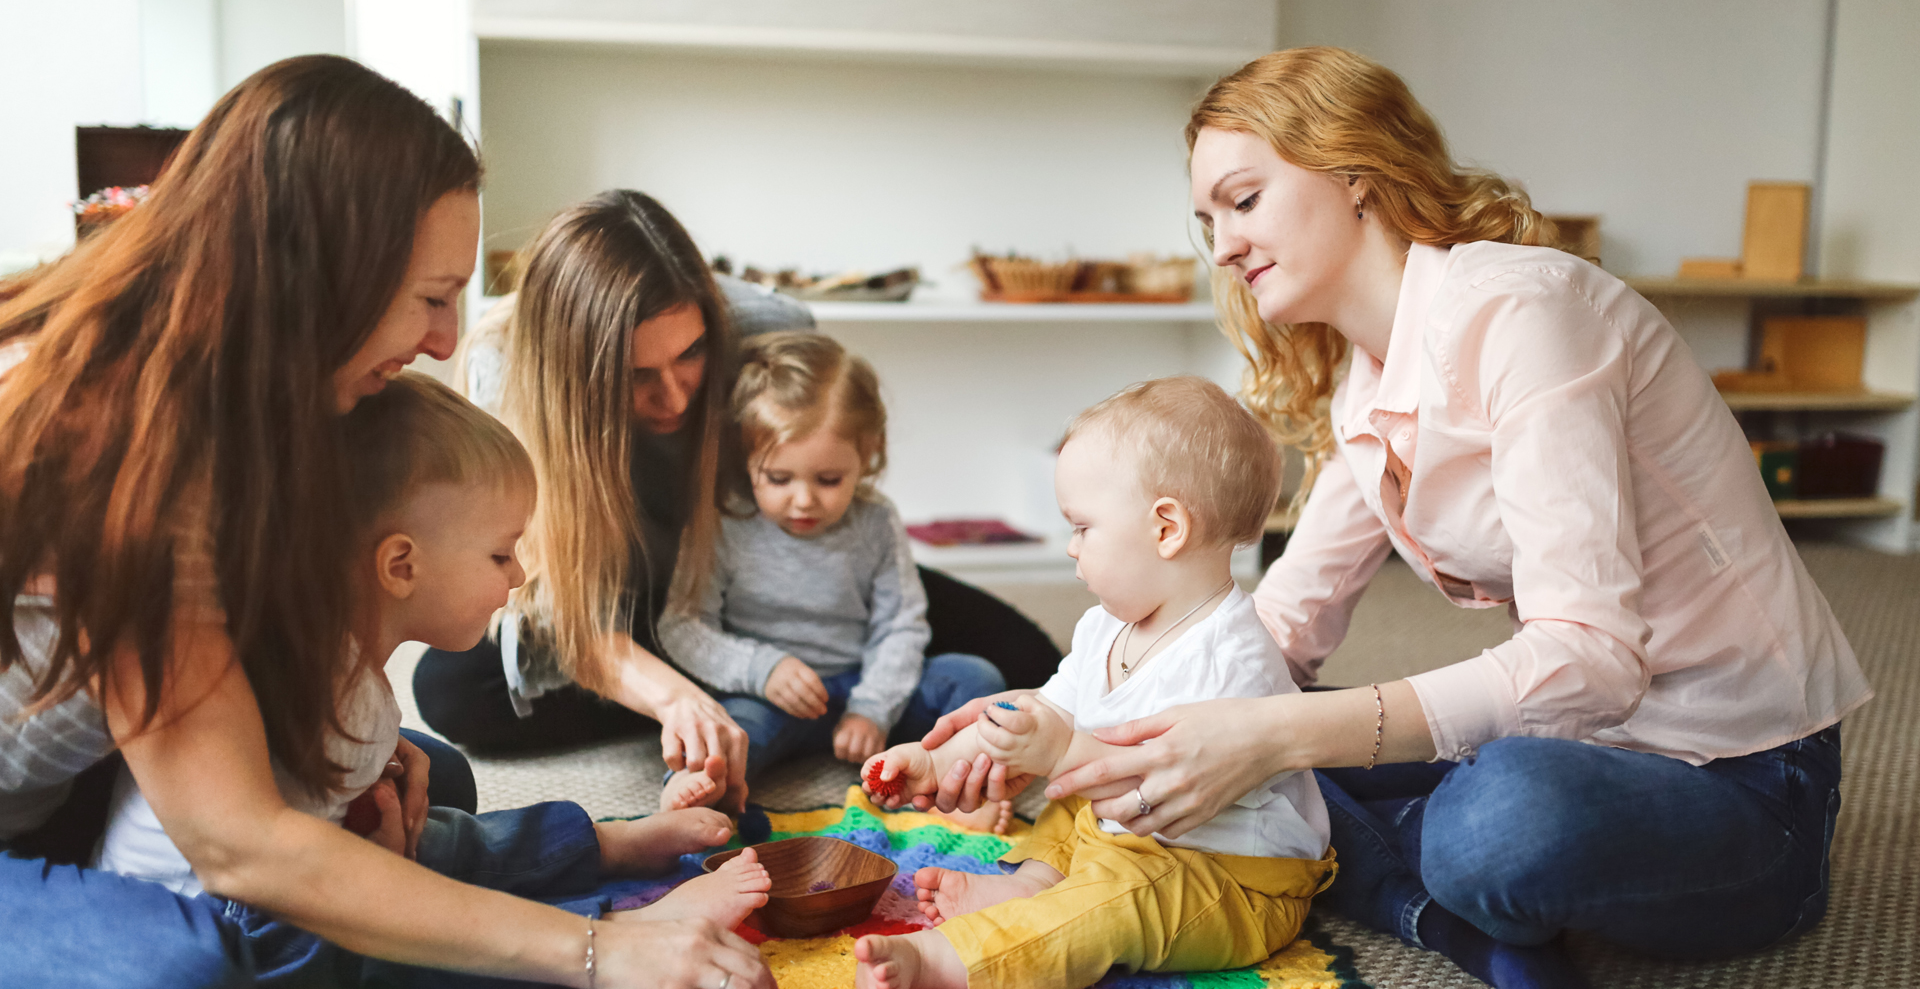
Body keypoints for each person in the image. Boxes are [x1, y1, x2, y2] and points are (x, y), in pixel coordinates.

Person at [920, 47, 1870, 989]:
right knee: (1232, 758)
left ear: (1355, 174)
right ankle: (1438, 918)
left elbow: (1591, 657)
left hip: (1738, 777)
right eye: (1207, 219)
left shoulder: (1526, 313)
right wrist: (1039, 727)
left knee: (1485, 817)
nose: (1223, 245)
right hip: (1572, 741)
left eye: (1243, 201)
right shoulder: (1364, 384)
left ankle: (1398, 871)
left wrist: (1267, 742)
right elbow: (1271, 634)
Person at [0, 55, 771, 989]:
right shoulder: (113, 440)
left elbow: (223, 645)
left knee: (417, 776)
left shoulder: (252, 391)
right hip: (50, 819)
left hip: (87, 783)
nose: (447, 341)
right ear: (319, 272)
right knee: (187, 965)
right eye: (432, 297)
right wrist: (601, 952)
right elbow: (239, 846)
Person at [91, 372, 774, 978]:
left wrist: (382, 849)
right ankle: (618, 929)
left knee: (437, 829)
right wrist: (383, 867)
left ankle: (605, 844)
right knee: (394, 952)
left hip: (292, 870)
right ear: (401, 566)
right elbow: (327, 892)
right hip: (219, 930)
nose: (520, 575)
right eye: (501, 554)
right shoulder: (315, 698)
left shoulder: (339, 665)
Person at [412, 192, 1062, 809]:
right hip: (621, 589)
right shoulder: (508, 366)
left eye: (691, 355)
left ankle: (754, 681)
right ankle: (714, 687)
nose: (674, 398)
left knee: (1027, 660)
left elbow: (817, 467)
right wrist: (670, 697)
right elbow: (555, 605)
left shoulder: (769, 327)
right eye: (637, 377)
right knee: (455, 687)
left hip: (773, 566)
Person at [851, 376, 1335, 989]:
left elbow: (1162, 782)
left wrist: (1056, 750)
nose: (1072, 549)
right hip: (1124, 831)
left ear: (1166, 529)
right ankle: (1028, 886)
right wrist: (938, 757)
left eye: (1083, 528)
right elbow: (1048, 711)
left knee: (1112, 906)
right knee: (1065, 811)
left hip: (1223, 873)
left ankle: (949, 961)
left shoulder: (1231, 659)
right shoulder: (1105, 625)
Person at [655, 332, 1009, 830]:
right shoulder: (721, 522)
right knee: (721, 731)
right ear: (744, 458)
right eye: (779, 479)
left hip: (862, 682)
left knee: (976, 681)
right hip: (765, 696)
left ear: (868, 457)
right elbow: (683, 626)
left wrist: (872, 708)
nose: (804, 501)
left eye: (828, 481)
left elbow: (902, 625)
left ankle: (965, 787)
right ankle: (693, 793)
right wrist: (762, 670)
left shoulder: (876, 521)